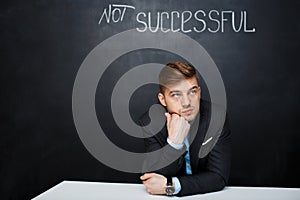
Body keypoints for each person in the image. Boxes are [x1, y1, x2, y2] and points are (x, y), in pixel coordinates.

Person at [139, 62, 231, 196]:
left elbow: (218, 177)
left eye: (192, 92)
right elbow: (153, 178)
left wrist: (171, 187)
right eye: (176, 94)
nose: (187, 102)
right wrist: (174, 144)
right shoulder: (150, 123)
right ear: (163, 100)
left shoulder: (216, 117)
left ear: (199, 92)